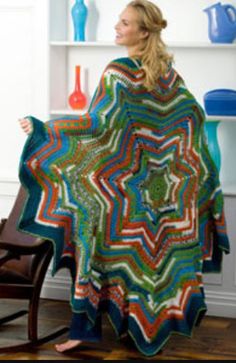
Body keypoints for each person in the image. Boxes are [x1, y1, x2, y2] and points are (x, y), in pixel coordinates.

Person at [18, 0, 230, 357]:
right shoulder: (169, 76)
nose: (116, 27)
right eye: (118, 20)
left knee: (89, 245)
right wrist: (181, 168)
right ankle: (136, 328)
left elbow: (96, 124)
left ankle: (89, 331)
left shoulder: (118, 72)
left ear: (144, 31)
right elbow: (191, 115)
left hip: (124, 193)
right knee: (145, 256)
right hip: (158, 194)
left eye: (125, 22)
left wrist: (45, 129)